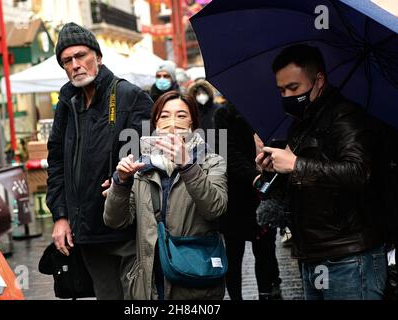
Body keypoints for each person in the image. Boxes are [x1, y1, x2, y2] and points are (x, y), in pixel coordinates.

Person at [255, 44, 386, 300]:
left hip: (348, 257)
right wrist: (273, 172)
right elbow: (303, 182)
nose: (287, 96)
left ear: (319, 81)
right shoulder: (302, 122)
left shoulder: (346, 117)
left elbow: (358, 172)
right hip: (312, 252)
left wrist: (295, 164)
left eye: (294, 88)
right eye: (282, 90)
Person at [46, 22, 153, 300]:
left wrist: (121, 178)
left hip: (126, 229)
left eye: (81, 55)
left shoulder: (130, 96)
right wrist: (60, 217)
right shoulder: (67, 105)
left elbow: (149, 157)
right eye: (67, 60)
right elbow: (56, 163)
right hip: (87, 233)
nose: (75, 65)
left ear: (98, 57)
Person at [103, 91, 228, 300]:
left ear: (192, 122)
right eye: (164, 116)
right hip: (151, 282)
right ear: (155, 124)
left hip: (193, 277)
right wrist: (121, 183)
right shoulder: (141, 168)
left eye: (181, 115)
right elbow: (115, 221)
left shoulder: (211, 162)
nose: (172, 123)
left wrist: (188, 166)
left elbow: (214, 209)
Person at [214, 103, 282, 300]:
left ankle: (265, 293)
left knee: (266, 252)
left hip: (266, 195)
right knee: (234, 256)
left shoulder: (273, 113)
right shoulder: (224, 114)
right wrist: (254, 177)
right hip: (236, 197)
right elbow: (227, 153)